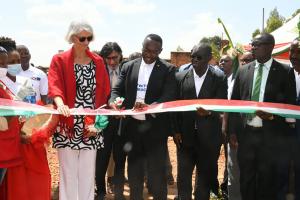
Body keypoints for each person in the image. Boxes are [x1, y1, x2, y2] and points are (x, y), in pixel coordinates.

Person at [228, 33, 296, 200]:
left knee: (267, 181)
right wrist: (232, 131)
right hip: (246, 135)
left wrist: (273, 117)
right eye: (252, 44)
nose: (253, 48)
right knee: (247, 179)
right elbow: (234, 104)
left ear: (270, 47)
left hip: (270, 137)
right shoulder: (243, 71)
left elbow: (290, 107)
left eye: (256, 45)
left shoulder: (285, 72)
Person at [48, 20, 110, 200]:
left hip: (91, 125)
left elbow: (104, 94)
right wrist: (60, 105)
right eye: (82, 38)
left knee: (87, 173)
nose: (86, 42)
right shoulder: (58, 60)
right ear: (73, 38)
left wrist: (98, 124)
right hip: (67, 124)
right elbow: (55, 85)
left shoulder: (98, 61)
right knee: (68, 174)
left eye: (89, 38)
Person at [109, 33, 176, 200]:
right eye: (147, 50)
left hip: (155, 129)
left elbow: (169, 95)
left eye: (154, 52)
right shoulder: (128, 66)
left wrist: (149, 107)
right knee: (134, 172)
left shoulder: (168, 69)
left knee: (156, 175)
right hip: (132, 129)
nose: (149, 54)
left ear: (160, 51)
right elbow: (117, 90)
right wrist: (114, 102)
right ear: (142, 47)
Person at [173, 43, 227, 200]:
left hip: (209, 138)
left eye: (199, 57)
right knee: (183, 177)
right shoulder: (180, 77)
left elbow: (222, 103)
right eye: (192, 56)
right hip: (185, 137)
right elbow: (174, 107)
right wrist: (175, 130)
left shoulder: (219, 78)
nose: (194, 60)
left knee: (204, 179)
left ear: (209, 58)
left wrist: (209, 111)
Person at [95, 42, 127, 200]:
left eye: (115, 58)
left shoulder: (127, 70)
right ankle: (100, 191)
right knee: (102, 157)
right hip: (103, 122)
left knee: (120, 158)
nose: (112, 62)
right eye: (108, 59)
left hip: (123, 122)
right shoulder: (98, 72)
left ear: (121, 55)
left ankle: (119, 191)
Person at [219, 54, 242, 200]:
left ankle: (229, 191)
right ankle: (224, 187)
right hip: (218, 124)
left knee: (232, 159)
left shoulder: (237, 79)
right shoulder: (219, 78)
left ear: (233, 63)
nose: (222, 63)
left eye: (225, 61)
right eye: (220, 60)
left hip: (231, 125)